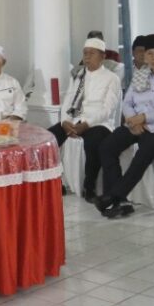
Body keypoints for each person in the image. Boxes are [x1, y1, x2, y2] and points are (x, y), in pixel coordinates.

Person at [97, 35, 154, 218]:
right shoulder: (140, 76)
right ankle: (120, 201)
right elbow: (127, 102)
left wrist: (144, 117)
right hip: (135, 126)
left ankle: (115, 196)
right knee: (107, 146)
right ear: (145, 57)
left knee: (147, 148)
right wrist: (133, 119)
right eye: (150, 54)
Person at [49, 37, 122, 202]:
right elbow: (68, 100)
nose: (87, 57)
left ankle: (89, 187)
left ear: (102, 56)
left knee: (94, 141)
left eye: (92, 53)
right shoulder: (79, 75)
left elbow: (107, 109)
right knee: (49, 138)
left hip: (99, 122)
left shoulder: (112, 78)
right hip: (74, 120)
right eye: (85, 53)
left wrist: (86, 124)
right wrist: (65, 122)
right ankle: (55, 181)